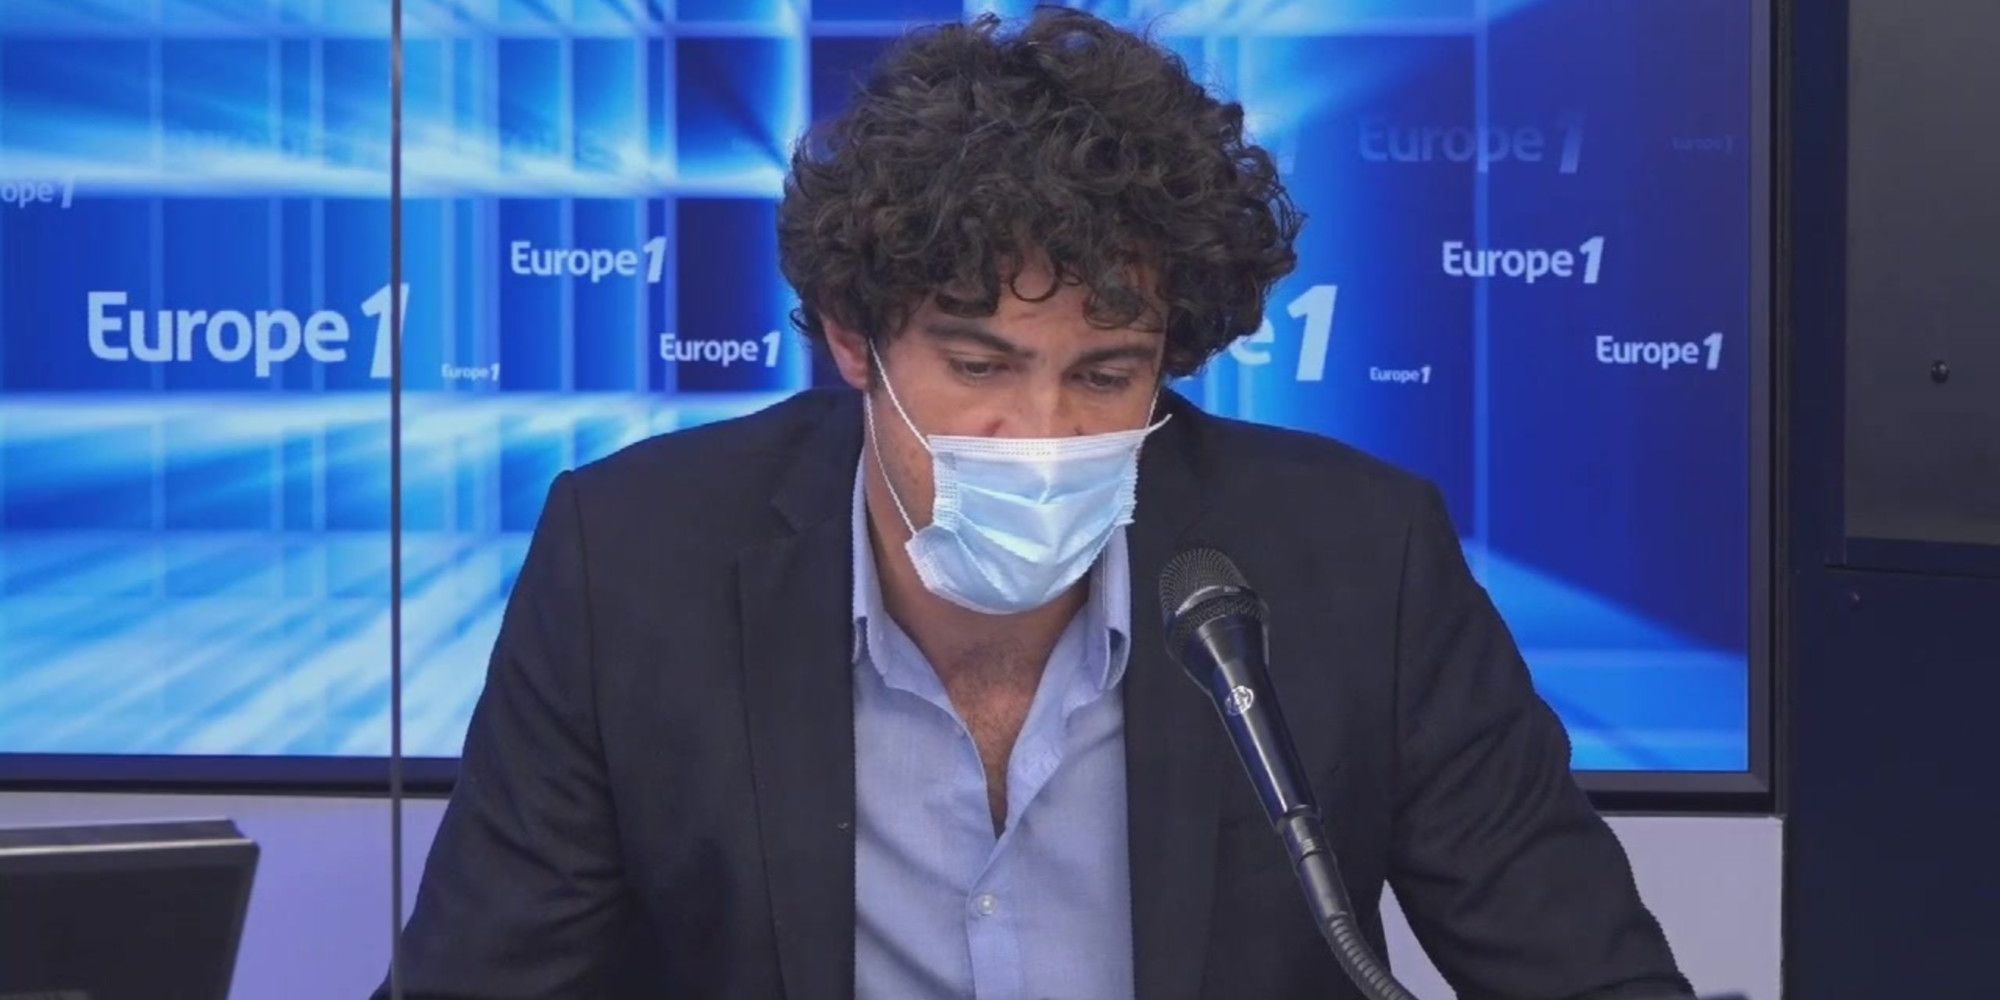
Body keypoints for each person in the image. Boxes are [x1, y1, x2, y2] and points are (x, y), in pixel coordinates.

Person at [382, 8, 1691, 999]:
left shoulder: (1360, 563)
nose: (1046, 435)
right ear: (853, 338)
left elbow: (1592, 977)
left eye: (1106, 375)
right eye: (979, 367)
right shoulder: (633, 563)